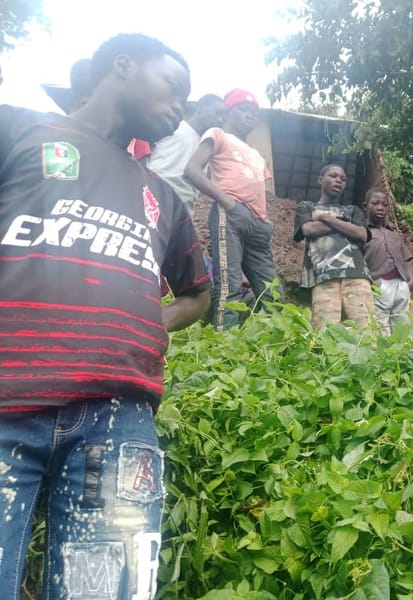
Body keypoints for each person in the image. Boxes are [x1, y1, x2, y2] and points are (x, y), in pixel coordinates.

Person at [0, 33, 211, 600]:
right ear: (123, 66)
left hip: (118, 424)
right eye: (175, 88)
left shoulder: (161, 196)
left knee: (101, 592)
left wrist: (148, 321)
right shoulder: (17, 130)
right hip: (6, 399)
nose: (181, 109)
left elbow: (199, 293)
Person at [185, 88, 283, 329]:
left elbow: (261, 190)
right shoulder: (218, 134)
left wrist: (266, 221)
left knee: (274, 293)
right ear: (228, 112)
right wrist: (229, 203)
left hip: (258, 224)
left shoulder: (258, 156)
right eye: (243, 109)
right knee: (229, 283)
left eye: (253, 112)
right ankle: (224, 344)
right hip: (230, 214)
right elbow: (192, 170)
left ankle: (267, 343)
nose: (250, 115)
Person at [294, 163, 374, 328]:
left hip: (356, 275)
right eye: (333, 176)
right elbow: (308, 229)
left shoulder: (353, 210)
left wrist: (327, 218)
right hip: (322, 277)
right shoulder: (307, 207)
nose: (339, 181)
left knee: (367, 329)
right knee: (323, 331)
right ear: (320, 179)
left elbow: (362, 234)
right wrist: (344, 224)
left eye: (343, 179)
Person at [147, 93, 225, 215]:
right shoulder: (174, 127)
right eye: (217, 113)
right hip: (154, 197)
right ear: (202, 107)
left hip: (183, 209)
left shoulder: (207, 148)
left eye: (223, 117)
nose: (220, 120)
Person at [362, 188, 413, 331]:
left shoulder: (394, 233)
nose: (380, 207)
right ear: (365, 206)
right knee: (380, 327)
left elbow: (406, 258)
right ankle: (382, 353)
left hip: (401, 284)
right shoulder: (361, 232)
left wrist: (410, 281)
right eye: (375, 203)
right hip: (378, 285)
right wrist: (370, 284)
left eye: (384, 205)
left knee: (404, 327)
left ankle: (406, 353)